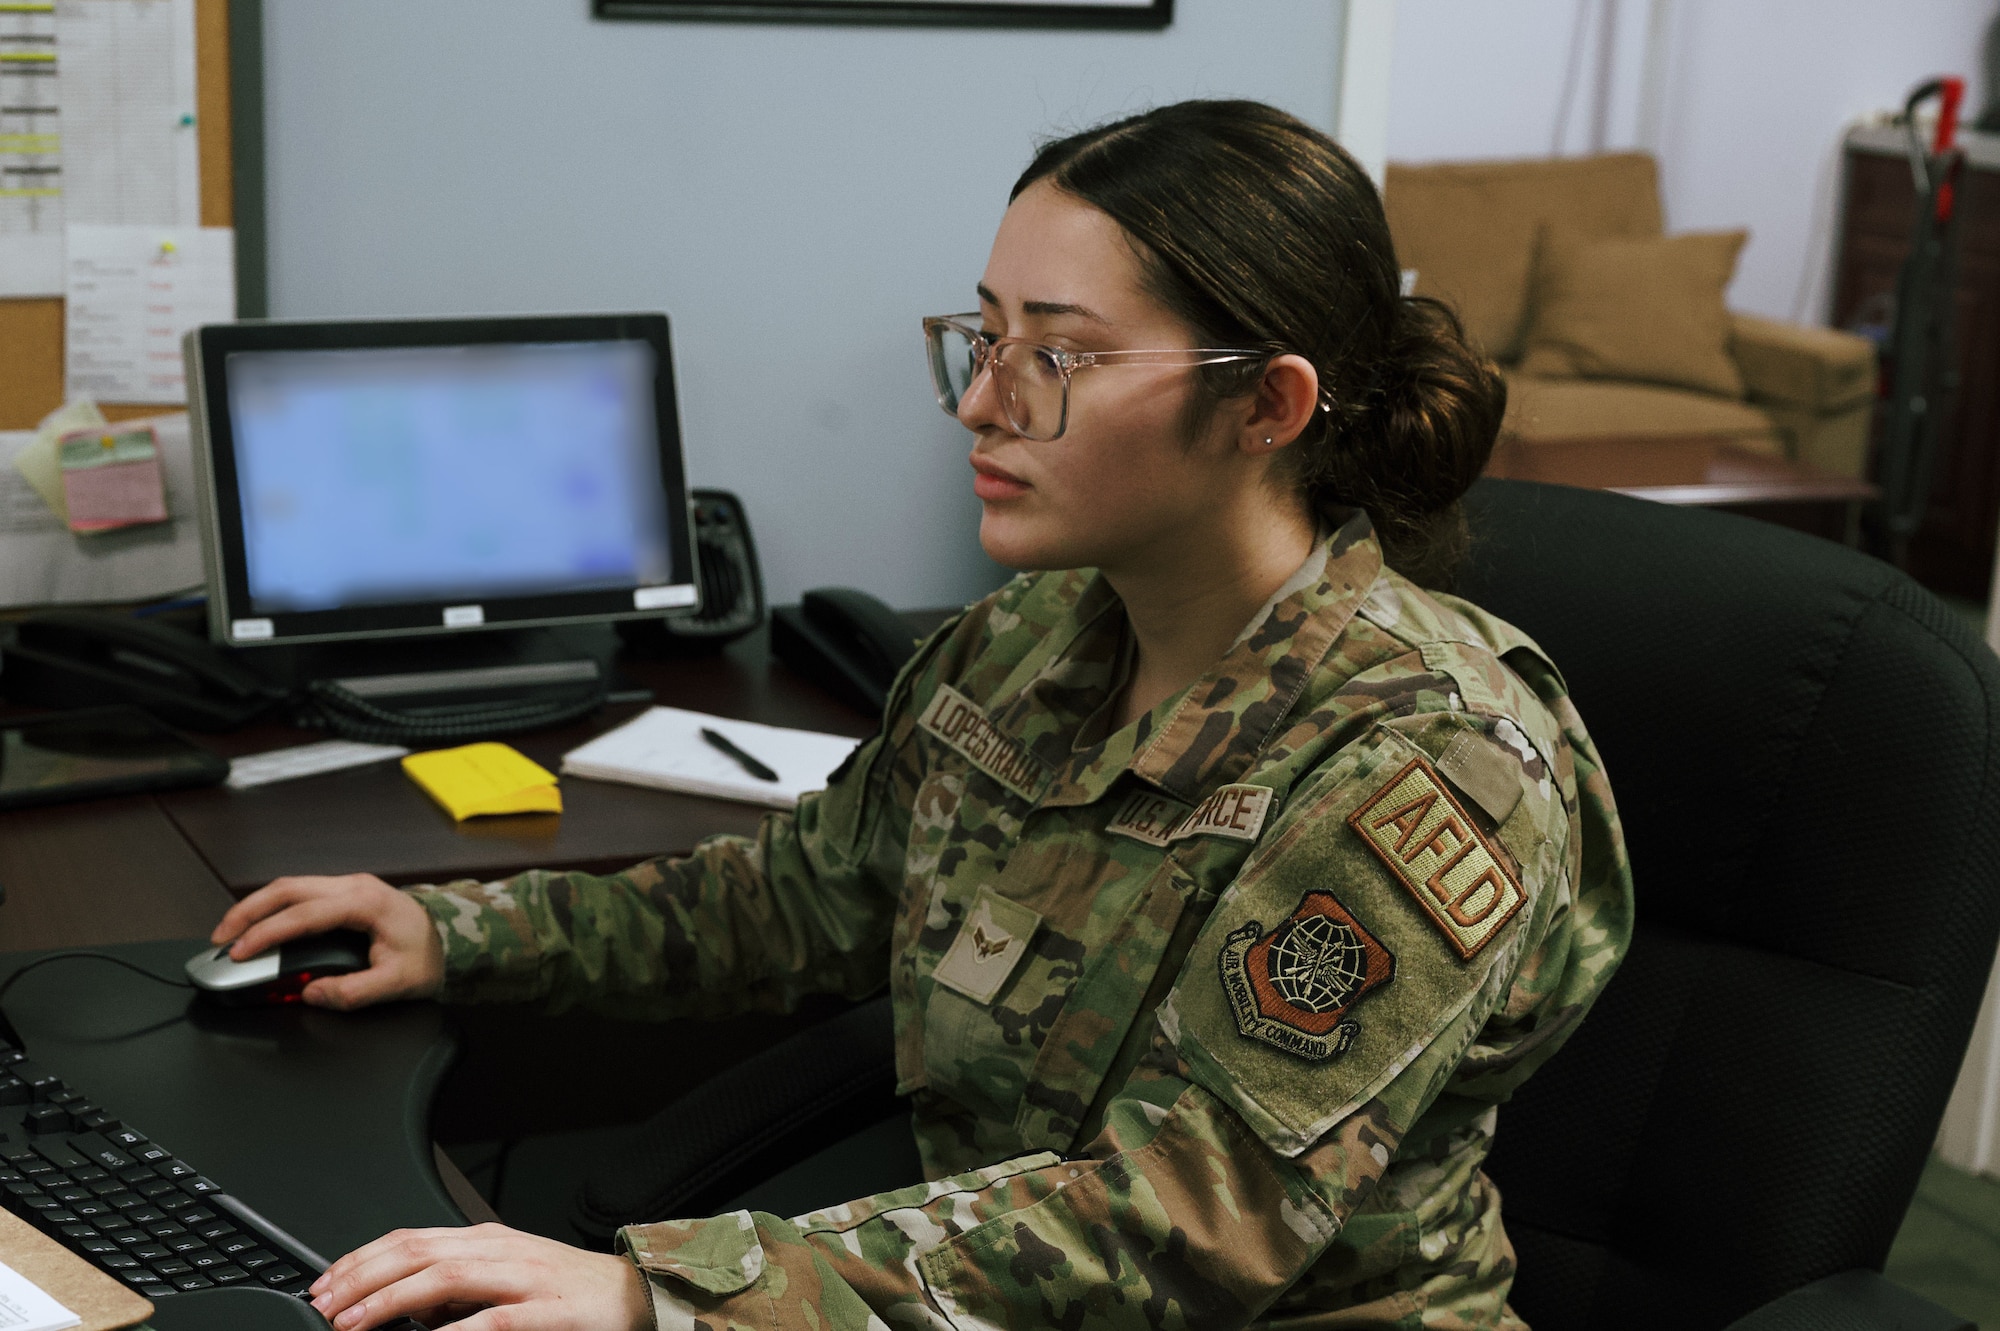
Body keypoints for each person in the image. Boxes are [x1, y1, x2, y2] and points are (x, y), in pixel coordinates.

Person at [217, 99, 1633, 1331]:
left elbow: (1191, 1218)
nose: (978, 403)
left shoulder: (1429, 756)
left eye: (1056, 358)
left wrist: (676, 1294)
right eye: (985, 336)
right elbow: (804, 897)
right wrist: (456, 936)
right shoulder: (1024, 642)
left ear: (1266, 404)